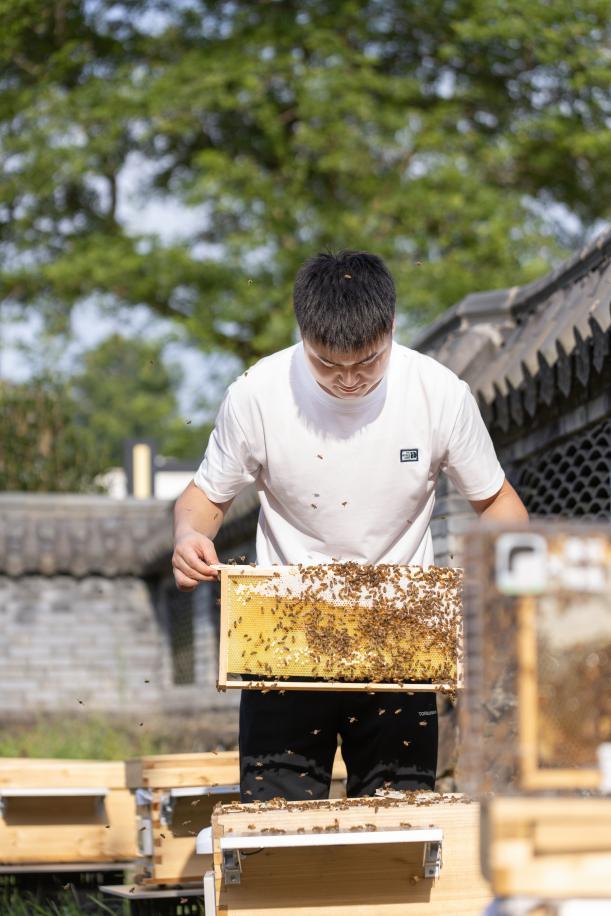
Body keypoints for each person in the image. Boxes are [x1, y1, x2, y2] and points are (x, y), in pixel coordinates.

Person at [172, 250, 528, 802]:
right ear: (303, 336)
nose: (348, 381)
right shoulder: (257, 393)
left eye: (366, 363)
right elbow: (203, 499)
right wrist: (190, 536)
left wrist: (499, 584)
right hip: (284, 635)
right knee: (276, 818)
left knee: (400, 820)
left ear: (389, 329)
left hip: (403, 634)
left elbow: (498, 503)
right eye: (327, 365)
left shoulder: (439, 394)